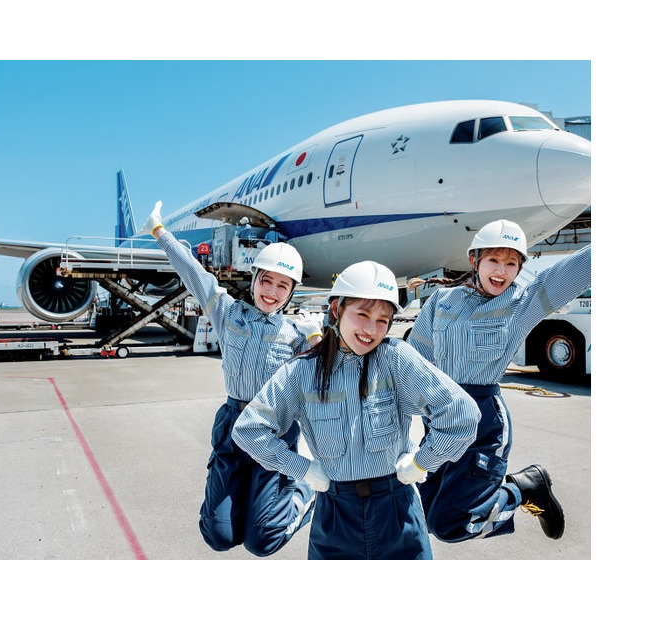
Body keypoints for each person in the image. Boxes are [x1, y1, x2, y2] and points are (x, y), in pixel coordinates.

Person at [232, 261, 481, 560]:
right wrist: (302, 469)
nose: (370, 329)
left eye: (382, 320)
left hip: (397, 512)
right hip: (335, 517)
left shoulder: (396, 359)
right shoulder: (302, 372)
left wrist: (422, 462)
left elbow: (461, 413)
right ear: (336, 310)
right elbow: (249, 429)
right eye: (362, 314)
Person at [142, 201, 323, 557]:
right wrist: (160, 234)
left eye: (282, 286)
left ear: (291, 292)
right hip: (232, 423)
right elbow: (193, 272)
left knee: (261, 541)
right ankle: (249, 504)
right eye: (266, 280)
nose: (271, 291)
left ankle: (304, 492)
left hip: (273, 431)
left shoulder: (295, 333)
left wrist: (316, 336)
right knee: (219, 536)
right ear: (254, 279)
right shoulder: (228, 314)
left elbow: (327, 373)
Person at [406, 219, 591, 542]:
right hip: (440, 420)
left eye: (511, 263)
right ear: (474, 260)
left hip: (484, 422)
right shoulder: (442, 301)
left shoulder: (523, 303)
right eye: (494, 260)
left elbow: (579, 268)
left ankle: (524, 489)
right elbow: (413, 360)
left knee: (453, 526)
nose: (502, 271)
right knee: (423, 513)